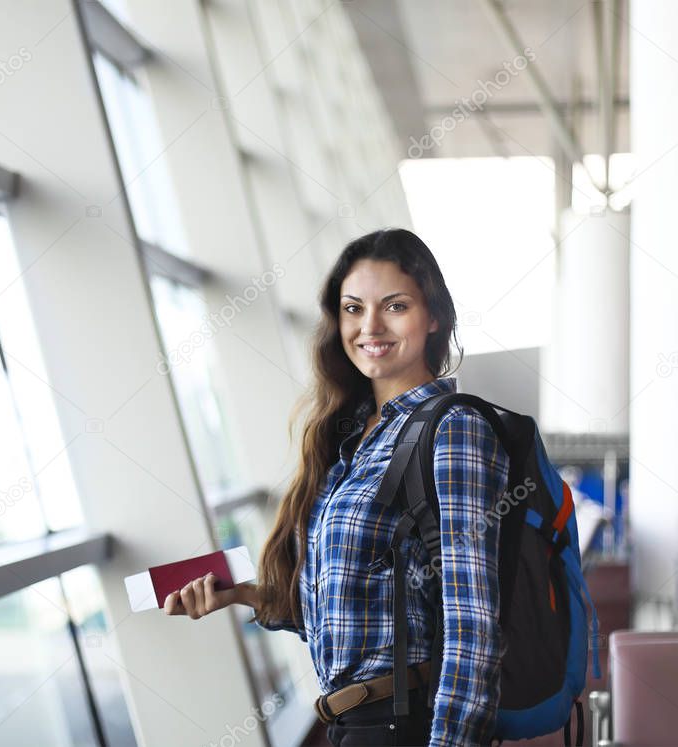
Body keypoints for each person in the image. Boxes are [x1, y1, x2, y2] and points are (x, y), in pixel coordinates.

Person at [163, 229, 510, 747]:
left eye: (394, 306)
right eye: (353, 308)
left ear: (433, 317)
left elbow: (474, 624)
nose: (370, 325)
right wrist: (246, 596)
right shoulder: (351, 441)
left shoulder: (453, 429)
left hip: (404, 725)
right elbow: (355, 616)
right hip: (351, 724)